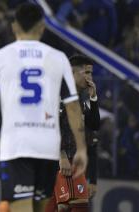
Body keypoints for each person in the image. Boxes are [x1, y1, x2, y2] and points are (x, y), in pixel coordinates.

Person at [0, 3, 87, 212]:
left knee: (21, 208)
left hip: (16, 145)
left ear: (14, 27)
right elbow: (72, 106)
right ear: (42, 27)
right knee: (43, 208)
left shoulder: (0, 57)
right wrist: (81, 148)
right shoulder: (59, 58)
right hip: (48, 146)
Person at [45, 55, 100, 212]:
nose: (90, 77)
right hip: (57, 163)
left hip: (71, 163)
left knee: (71, 207)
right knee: (67, 206)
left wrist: (93, 97)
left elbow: (94, 125)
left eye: (91, 73)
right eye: (87, 72)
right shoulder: (57, 95)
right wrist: (61, 156)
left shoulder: (78, 101)